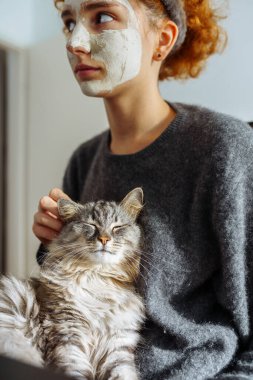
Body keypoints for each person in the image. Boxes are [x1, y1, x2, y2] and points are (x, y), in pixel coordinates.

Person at [33, 0, 253, 378]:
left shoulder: (225, 148)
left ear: (163, 40)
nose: (75, 41)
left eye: (102, 17)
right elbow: (71, 308)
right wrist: (53, 245)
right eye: (69, 22)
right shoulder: (84, 159)